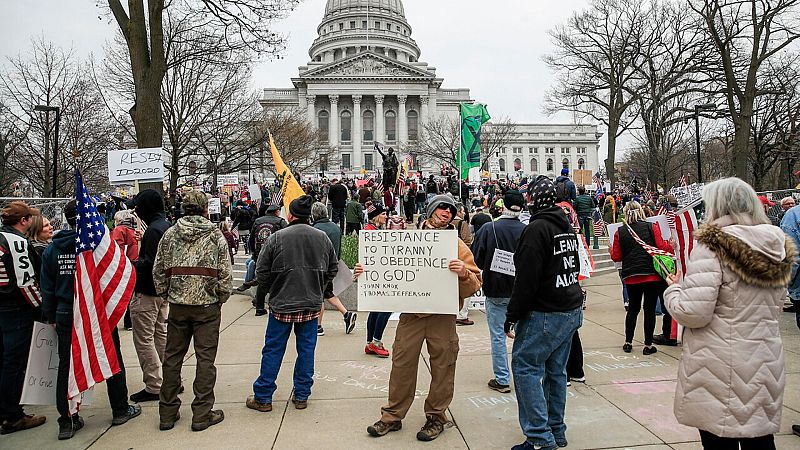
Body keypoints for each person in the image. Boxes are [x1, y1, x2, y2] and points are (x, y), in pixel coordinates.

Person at [664, 178, 793, 450]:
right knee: (759, 439)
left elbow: (694, 312)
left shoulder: (712, 246)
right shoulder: (776, 244)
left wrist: (674, 291)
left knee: (718, 439)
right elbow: (777, 306)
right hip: (764, 357)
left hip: (718, 362)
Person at [365, 194, 481, 442]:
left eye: (451, 210)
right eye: (442, 207)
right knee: (402, 364)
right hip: (412, 315)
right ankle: (392, 416)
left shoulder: (458, 245)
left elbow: (475, 283)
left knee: (443, 367)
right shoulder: (407, 238)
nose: (447, 212)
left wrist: (463, 274)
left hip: (442, 316)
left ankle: (436, 417)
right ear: (429, 211)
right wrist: (367, 271)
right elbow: (386, 267)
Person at [40, 200, 141, 440]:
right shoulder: (99, 245)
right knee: (110, 356)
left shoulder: (52, 249)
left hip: (66, 311)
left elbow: (47, 288)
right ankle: (119, 408)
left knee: (67, 364)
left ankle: (67, 420)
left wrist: (51, 315)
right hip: (97, 311)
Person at [505, 177, 583, 450]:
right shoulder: (566, 227)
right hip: (570, 308)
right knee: (556, 372)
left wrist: (512, 314)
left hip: (546, 312)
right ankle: (555, 430)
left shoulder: (536, 229)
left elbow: (525, 279)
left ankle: (539, 438)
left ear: (531, 200)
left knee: (525, 368)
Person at [247, 195, 338, 413]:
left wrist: (272, 290)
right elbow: (333, 268)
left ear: (290, 215)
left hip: (282, 304)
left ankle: (264, 397)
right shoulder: (322, 238)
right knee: (306, 351)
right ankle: (302, 395)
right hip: (310, 304)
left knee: (273, 350)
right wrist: (319, 287)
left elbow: (261, 271)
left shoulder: (277, 238)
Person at [152, 190, 232, 432]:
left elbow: (158, 270)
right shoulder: (215, 236)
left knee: (172, 358)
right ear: (205, 209)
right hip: (206, 307)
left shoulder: (169, 235)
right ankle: (202, 413)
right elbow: (225, 275)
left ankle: (167, 412)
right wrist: (220, 297)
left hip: (178, 306)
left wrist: (167, 294)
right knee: (205, 360)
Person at [471, 190, 526, 394]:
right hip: (521, 290)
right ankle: (523, 377)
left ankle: (502, 378)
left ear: (503, 206)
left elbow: (476, 259)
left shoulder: (488, 229)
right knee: (523, 335)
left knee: (497, 336)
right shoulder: (527, 230)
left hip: (496, 288)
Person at [0, 201, 46, 435]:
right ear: (25, 221)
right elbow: (26, 282)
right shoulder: (17, 242)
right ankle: (12, 415)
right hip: (15, 309)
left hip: (4, 307)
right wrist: (42, 308)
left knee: (6, 361)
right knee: (14, 363)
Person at [610, 201, 673, 355]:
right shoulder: (652, 227)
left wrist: (611, 250)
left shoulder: (620, 231)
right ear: (641, 211)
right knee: (649, 310)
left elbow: (617, 257)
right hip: (651, 275)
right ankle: (648, 344)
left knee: (633, 309)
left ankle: (628, 342)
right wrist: (670, 245)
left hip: (631, 276)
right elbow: (661, 247)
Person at [129, 189, 172, 403]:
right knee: (159, 334)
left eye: (139, 207)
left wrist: (131, 265)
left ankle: (155, 385)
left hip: (147, 291)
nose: (136, 211)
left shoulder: (154, 231)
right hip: (162, 291)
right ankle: (171, 379)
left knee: (144, 339)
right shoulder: (165, 226)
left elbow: (151, 264)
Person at [311, 202, 357, 335]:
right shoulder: (336, 228)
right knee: (328, 293)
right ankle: (347, 315)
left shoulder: (315, 229)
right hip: (333, 265)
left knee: (319, 296)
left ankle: (318, 327)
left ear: (314, 215)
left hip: (319, 267)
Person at [360, 203, 393, 357]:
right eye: (383, 214)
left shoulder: (374, 230)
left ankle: (370, 343)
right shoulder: (370, 232)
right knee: (385, 308)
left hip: (378, 275)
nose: (386, 217)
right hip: (377, 276)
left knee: (375, 309)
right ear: (375, 216)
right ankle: (376, 341)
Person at [111, 210, 140, 330]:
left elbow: (116, 248)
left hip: (125, 264)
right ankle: (130, 321)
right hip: (136, 263)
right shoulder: (135, 230)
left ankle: (127, 321)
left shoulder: (120, 230)